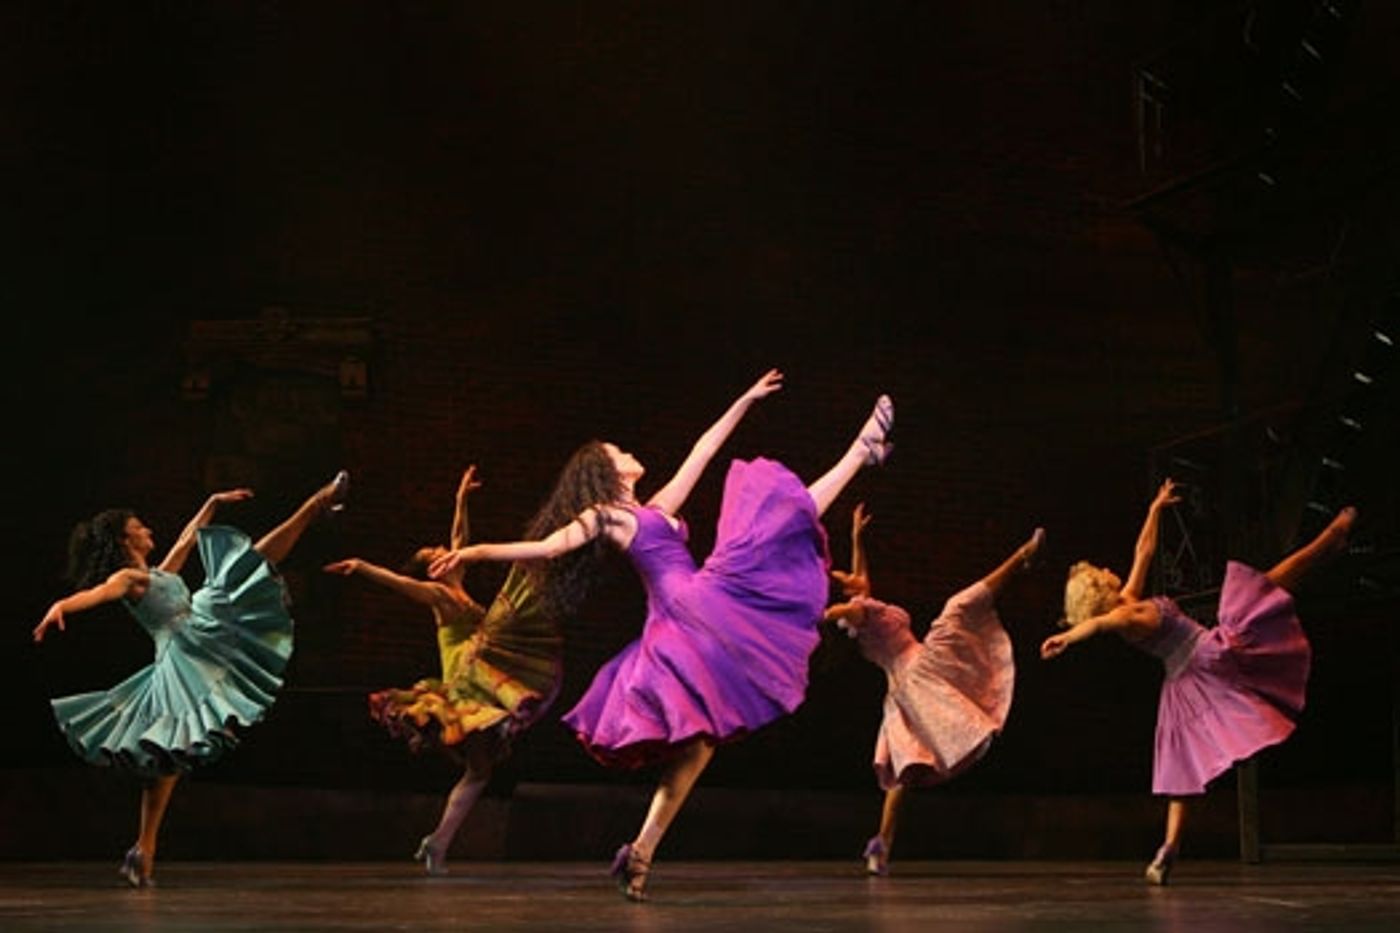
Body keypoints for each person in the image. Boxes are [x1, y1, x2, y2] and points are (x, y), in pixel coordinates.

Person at [428, 369, 893, 900]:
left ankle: (641, 853)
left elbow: (703, 449)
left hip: (701, 602)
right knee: (776, 516)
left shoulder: (653, 510)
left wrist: (743, 399)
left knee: (699, 745)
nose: (628, 452)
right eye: (619, 450)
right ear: (607, 470)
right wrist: (473, 552)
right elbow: (547, 548)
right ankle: (862, 451)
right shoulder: (608, 517)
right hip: (688, 617)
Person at [33, 470, 349, 886]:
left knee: (168, 759)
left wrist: (213, 503)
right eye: (138, 527)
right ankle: (317, 502)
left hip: (200, 632)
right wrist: (63, 606)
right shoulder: (130, 579)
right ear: (126, 541)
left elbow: (187, 538)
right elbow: (101, 593)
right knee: (246, 564)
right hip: (184, 653)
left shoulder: (159, 573)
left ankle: (143, 847)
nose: (147, 529)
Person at [1041, 478, 1355, 884]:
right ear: (1101, 589)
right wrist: (1067, 636)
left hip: (1180, 682)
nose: (1107, 568)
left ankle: (1168, 848)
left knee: (1181, 768)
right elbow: (1097, 625)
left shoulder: (1130, 599)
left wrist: (1155, 508)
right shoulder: (1122, 616)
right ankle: (1329, 540)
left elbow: (1144, 550)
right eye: (1101, 572)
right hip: (1205, 656)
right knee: (1265, 589)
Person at [324, 465, 561, 876]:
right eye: (436, 555)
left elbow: (460, 539)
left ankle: (437, 843)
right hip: (464, 689)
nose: (445, 552)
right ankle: (436, 844)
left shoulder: (457, 585)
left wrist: (461, 499)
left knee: (480, 771)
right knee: (479, 770)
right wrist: (362, 566)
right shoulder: (438, 595)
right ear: (433, 570)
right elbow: (402, 585)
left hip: (480, 682)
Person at [823, 503, 1043, 875]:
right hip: (917, 671)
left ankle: (881, 844)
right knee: (958, 608)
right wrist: (826, 611)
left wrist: (856, 538)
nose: (854, 577)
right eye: (847, 581)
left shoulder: (864, 607)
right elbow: (842, 612)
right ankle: (1021, 557)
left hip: (900, 692)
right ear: (847, 596)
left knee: (903, 770)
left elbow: (861, 583)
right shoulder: (858, 614)